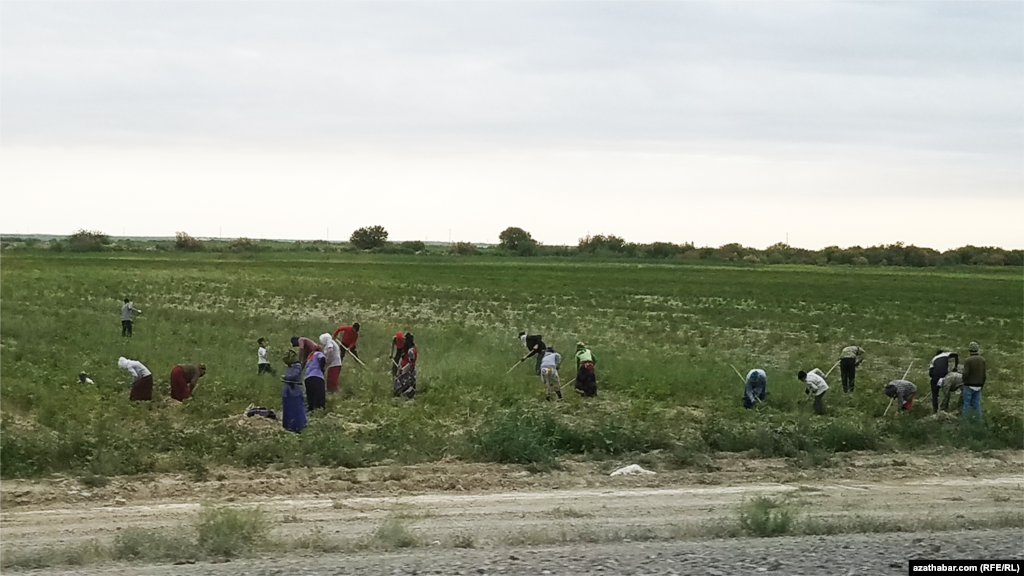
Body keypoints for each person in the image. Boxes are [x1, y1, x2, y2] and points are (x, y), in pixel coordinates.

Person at [280, 350, 307, 433]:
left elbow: (294, 376)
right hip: (288, 391)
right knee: (288, 408)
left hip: (294, 390)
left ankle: (298, 426)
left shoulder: (297, 365)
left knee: (296, 408)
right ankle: (288, 425)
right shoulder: (290, 366)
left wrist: (286, 377)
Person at [961, 342, 986, 421]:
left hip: (969, 385)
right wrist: (982, 384)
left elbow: (965, 374)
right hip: (979, 385)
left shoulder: (968, 360)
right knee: (977, 405)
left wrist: (964, 381)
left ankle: (966, 422)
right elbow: (984, 374)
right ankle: (978, 422)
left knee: (966, 404)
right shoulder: (982, 360)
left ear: (969, 350)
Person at [929, 350, 960, 414]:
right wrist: (955, 367)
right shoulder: (946, 354)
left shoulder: (933, 359)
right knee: (946, 393)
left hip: (935, 377)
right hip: (944, 375)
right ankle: (945, 409)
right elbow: (956, 355)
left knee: (934, 395)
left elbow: (930, 373)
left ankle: (935, 410)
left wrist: (934, 379)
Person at [393, 333, 418, 399]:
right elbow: (403, 358)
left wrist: (403, 370)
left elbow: (410, 363)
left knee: (405, 385)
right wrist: (399, 366)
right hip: (404, 370)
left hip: (408, 371)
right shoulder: (408, 350)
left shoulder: (411, 351)